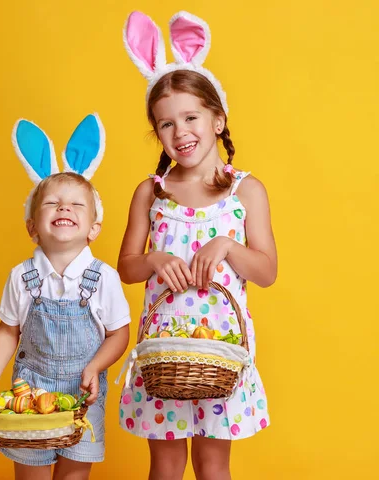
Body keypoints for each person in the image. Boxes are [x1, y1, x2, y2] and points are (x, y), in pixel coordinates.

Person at [117, 11, 277, 480]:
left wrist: (227, 245)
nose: (180, 132)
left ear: (217, 118)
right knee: (165, 465)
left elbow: (266, 272)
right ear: (157, 133)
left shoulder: (245, 191)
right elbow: (126, 267)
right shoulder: (151, 192)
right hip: (163, 352)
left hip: (220, 355)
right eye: (166, 124)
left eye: (191, 117)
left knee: (212, 464)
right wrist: (154, 259)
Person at [0, 114, 130, 480]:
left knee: (74, 474)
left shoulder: (104, 278)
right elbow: (8, 330)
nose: (64, 209)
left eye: (76, 205)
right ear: (31, 226)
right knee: (31, 475)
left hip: (83, 394)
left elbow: (119, 333)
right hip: (29, 394)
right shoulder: (21, 277)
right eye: (52, 203)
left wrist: (96, 367)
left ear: (94, 227)